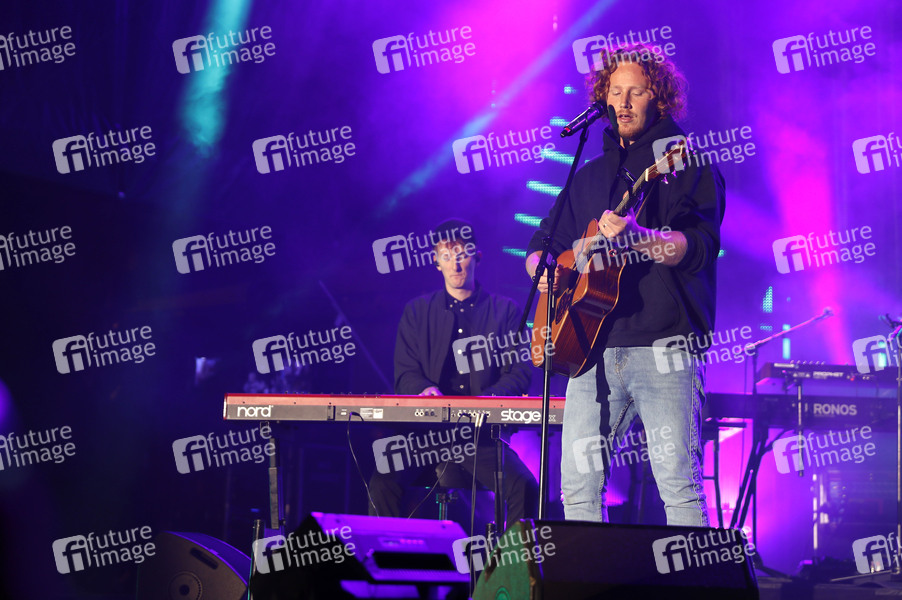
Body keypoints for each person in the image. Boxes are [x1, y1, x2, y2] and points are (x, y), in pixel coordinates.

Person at [525, 45, 725, 526]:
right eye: (615, 92)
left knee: (678, 486)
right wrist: (546, 272)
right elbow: (541, 246)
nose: (623, 102)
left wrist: (641, 238)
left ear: (659, 96)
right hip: (587, 346)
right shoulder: (589, 175)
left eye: (635, 91)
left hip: (666, 347)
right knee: (577, 488)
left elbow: (700, 247)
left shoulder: (685, 164)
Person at [369, 218, 538, 524]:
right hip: (423, 433)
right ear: (437, 262)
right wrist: (424, 390)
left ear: (477, 256)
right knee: (382, 484)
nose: (455, 264)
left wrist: (484, 403)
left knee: (524, 487)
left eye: (462, 254)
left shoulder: (506, 311)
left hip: (479, 435)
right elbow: (405, 373)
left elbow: (519, 374)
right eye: (446, 256)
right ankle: (386, 554)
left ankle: (511, 557)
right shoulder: (417, 311)